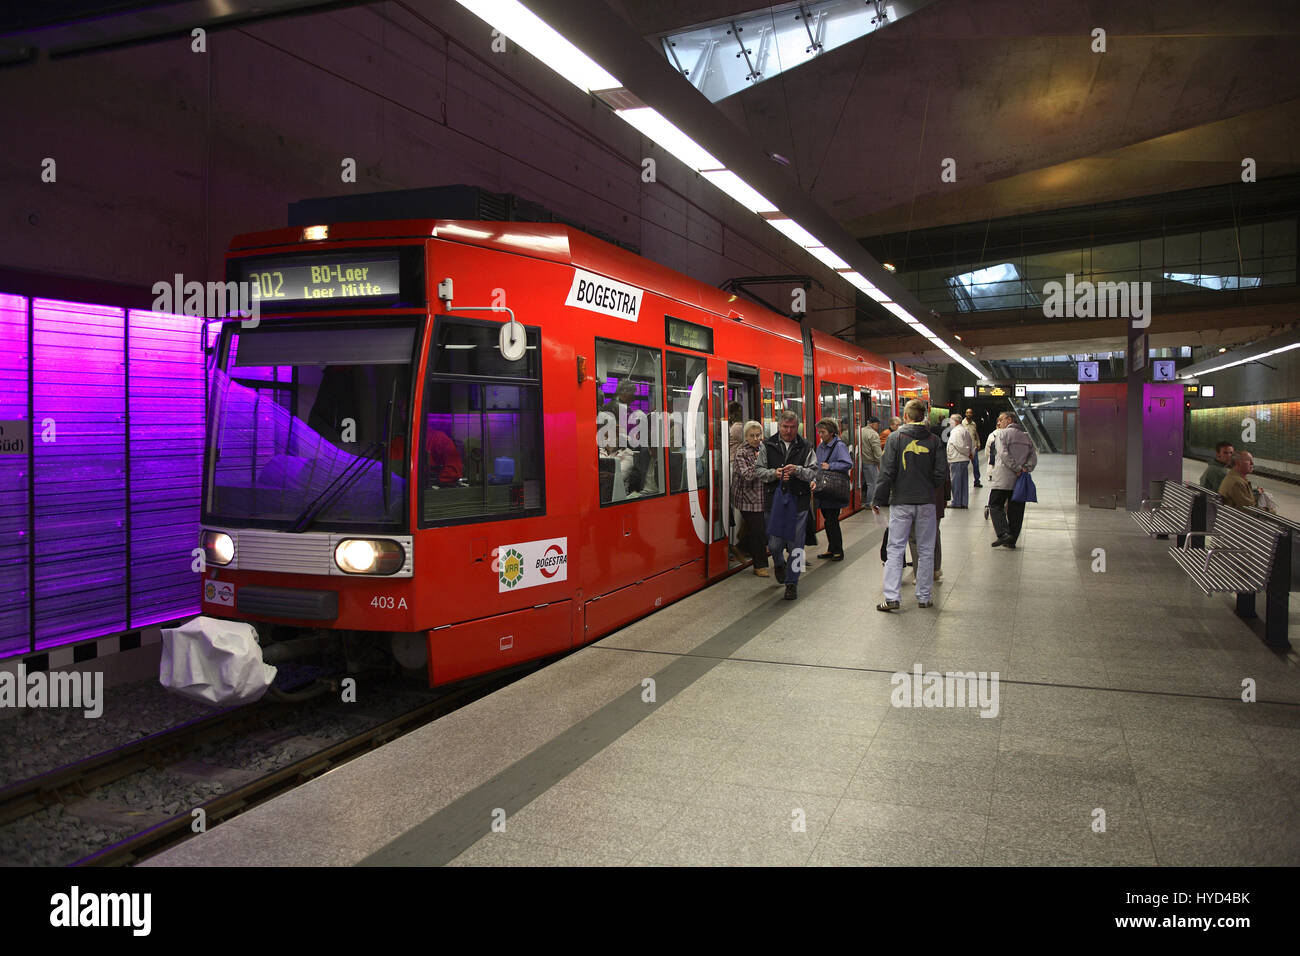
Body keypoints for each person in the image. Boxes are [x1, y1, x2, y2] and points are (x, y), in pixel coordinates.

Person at [872, 400, 947, 611]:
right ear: (923, 416)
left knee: (895, 548)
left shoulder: (895, 438)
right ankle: (924, 596)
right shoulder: (934, 440)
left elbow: (886, 473)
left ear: (905, 417)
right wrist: (927, 488)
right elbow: (942, 473)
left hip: (901, 502)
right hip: (926, 503)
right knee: (925, 549)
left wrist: (878, 499)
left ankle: (892, 597)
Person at [756, 410, 819, 600]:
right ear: (779, 426)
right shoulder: (767, 445)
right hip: (773, 502)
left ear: (797, 426)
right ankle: (779, 563)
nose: (789, 431)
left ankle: (792, 583)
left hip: (798, 501)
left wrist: (798, 470)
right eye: (785, 427)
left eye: (792, 427)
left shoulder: (806, 446)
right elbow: (759, 470)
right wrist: (774, 474)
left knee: (797, 547)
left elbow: (814, 472)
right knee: (774, 544)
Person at [987, 412, 1037, 549]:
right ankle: (1011, 541)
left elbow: (1003, 454)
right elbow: (1033, 457)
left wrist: (1016, 468)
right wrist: (1025, 468)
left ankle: (1003, 533)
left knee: (995, 505)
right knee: (1016, 510)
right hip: (1020, 480)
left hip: (1003, 479)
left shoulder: (1001, 434)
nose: (999, 422)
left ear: (1009, 420)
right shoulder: (1026, 437)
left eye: (1001, 419)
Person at [731, 420, 770, 576]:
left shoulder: (763, 448)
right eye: (752, 436)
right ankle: (759, 566)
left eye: (758, 435)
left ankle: (739, 547)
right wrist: (762, 466)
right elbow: (747, 475)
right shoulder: (741, 452)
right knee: (759, 532)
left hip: (762, 497)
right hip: (747, 499)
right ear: (745, 437)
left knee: (760, 529)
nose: (756, 438)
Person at [814, 418, 852, 561]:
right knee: (828, 520)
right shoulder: (821, 446)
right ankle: (831, 548)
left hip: (833, 489)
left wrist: (831, 466)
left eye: (823, 432)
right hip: (824, 488)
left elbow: (848, 464)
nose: (820, 435)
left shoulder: (839, 446)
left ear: (831, 432)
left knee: (832, 520)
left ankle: (838, 550)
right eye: (819, 432)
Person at [946, 413, 974, 508]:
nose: (949, 422)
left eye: (951, 421)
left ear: (956, 421)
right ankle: (963, 502)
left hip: (957, 459)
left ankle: (957, 502)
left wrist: (967, 453)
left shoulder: (956, 431)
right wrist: (970, 453)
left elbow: (960, 445)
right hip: (962, 459)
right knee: (963, 482)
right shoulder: (963, 430)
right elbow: (971, 443)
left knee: (956, 482)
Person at [860, 415, 882, 504]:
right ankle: (870, 503)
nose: (878, 426)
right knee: (873, 483)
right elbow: (877, 450)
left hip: (861, 462)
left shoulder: (860, 431)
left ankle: (863, 500)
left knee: (863, 483)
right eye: (877, 424)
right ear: (873, 424)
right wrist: (882, 462)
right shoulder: (873, 434)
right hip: (870, 462)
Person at [964, 409, 982, 487]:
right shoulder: (962, 424)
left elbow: (976, 434)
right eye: (967, 413)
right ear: (965, 414)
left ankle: (977, 481)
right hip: (965, 448)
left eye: (970, 413)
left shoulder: (974, 424)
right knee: (964, 466)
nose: (969, 414)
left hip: (974, 448)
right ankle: (963, 482)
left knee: (976, 465)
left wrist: (978, 443)